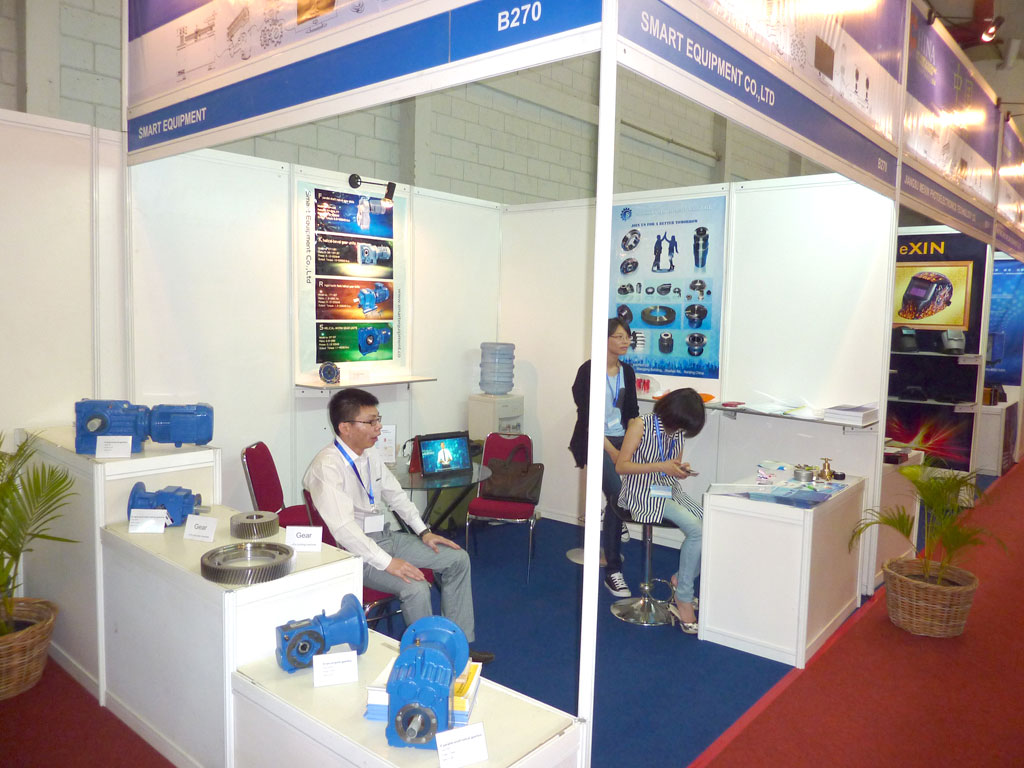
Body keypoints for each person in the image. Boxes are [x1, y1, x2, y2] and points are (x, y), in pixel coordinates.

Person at [303, 388, 493, 663]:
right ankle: (427, 658)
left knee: (457, 559)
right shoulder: (327, 467)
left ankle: (456, 643)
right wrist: (388, 562)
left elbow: (396, 496)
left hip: (384, 537)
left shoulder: (369, 455)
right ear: (345, 427)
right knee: (416, 587)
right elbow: (344, 530)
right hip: (354, 553)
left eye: (378, 419)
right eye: (370, 421)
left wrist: (424, 532)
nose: (378, 427)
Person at [616, 387, 706, 634]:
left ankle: (680, 579)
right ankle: (683, 598)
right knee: (697, 530)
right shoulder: (640, 425)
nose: (680, 431)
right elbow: (621, 466)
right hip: (642, 492)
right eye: (680, 425)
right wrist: (661, 466)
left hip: (667, 490)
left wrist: (679, 470)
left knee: (712, 524)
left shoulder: (676, 432)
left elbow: (671, 466)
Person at [569, 318, 639, 598]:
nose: (625, 341)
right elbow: (587, 418)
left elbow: (632, 413)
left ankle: (616, 523)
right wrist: (612, 450)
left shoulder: (627, 372)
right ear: (605, 339)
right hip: (596, 441)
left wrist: (631, 443)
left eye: (627, 337)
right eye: (619, 337)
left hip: (622, 439)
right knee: (619, 495)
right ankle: (613, 571)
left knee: (619, 499)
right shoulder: (588, 371)